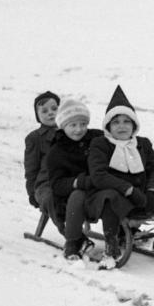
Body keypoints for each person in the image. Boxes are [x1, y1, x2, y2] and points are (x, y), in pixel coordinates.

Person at [88, 85, 154, 256]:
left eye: (126, 121)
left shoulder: (142, 143)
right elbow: (99, 175)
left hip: (143, 197)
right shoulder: (100, 144)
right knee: (110, 197)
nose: (121, 126)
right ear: (108, 125)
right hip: (118, 196)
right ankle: (113, 244)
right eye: (116, 122)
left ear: (134, 124)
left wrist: (153, 191)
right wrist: (128, 189)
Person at [45, 98, 102, 260]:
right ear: (63, 127)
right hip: (73, 191)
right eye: (73, 125)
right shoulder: (57, 151)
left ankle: (120, 232)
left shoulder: (95, 138)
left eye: (83, 124)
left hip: (98, 185)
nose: (79, 130)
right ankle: (73, 240)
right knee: (76, 198)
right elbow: (57, 184)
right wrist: (77, 182)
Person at [23, 91, 63, 232]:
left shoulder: (70, 131)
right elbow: (31, 169)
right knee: (52, 199)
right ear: (38, 116)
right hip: (45, 184)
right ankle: (73, 237)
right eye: (44, 111)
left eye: (54, 109)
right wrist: (32, 194)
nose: (50, 113)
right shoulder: (35, 138)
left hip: (66, 180)